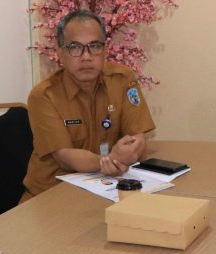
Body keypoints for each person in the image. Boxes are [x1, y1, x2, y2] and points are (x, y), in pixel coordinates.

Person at [20, 10, 156, 202]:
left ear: (105, 50)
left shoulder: (122, 79)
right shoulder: (44, 96)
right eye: (75, 47)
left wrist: (132, 150)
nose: (86, 56)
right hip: (51, 195)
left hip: (105, 189)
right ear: (60, 53)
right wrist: (109, 161)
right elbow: (64, 157)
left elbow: (138, 136)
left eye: (94, 46)